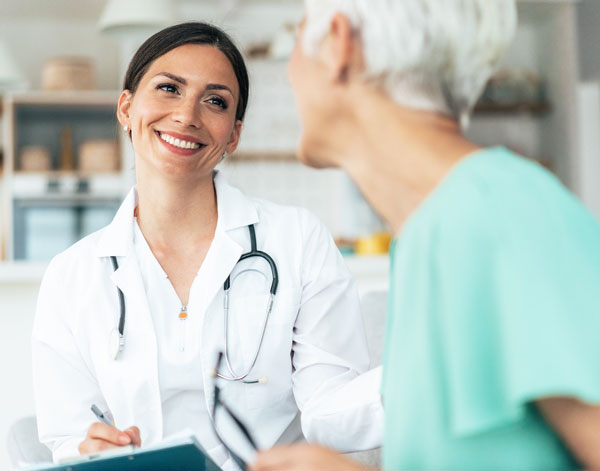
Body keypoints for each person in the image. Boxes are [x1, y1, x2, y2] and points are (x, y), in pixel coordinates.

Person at [251, 1, 600, 470]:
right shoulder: (423, 240)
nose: (290, 75)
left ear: (338, 44)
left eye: (297, 36)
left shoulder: (501, 211)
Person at [31, 22, 382, 470]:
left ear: (233, 134)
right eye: (168, 89)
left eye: (215, 101)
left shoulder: (297, 240)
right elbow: (69, 437)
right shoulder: (71, 275)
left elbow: (330, 414)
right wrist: (93, 449)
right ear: (125, 107)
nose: (187, 115)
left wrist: (427, 374)